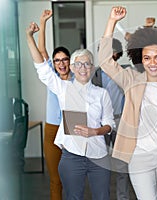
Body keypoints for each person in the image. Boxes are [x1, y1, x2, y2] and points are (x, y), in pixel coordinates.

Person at [98, 6, 157, 200]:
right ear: (141, 59)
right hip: (139, 156)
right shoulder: (130, 79)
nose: (152, 63)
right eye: (147, 58)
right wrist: (112, 21)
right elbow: (105, 61)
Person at [26, 22, 115, 200]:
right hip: (72, 156)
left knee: (102, 197)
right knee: (73, 197)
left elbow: (110, 124)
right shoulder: (63, 88)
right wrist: (29, 37)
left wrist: (95, 131)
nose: (82, 68)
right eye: (78, 64)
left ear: (92, 68)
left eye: (87, 64)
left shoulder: (102, 94)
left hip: (98, 156)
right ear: (73, 68)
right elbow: (42, 68)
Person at [38, 9, 72, 200]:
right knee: (55, 179)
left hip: (71, 127)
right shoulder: (51, 76)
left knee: (73, 178)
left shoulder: (77, 79)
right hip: (52, 128)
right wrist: (43, 22)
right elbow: (42, 50)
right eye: (57, 60)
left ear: (69, 61)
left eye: (64, 59)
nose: (61, 63)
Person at [92, 38, 132, 200]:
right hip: (101, 123)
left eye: (107, 50)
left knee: (122, 165)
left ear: (116, 53)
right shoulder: (93, 73)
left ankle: (122, 197)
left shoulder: (126, 71)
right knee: (101, 164)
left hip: (122, 121)